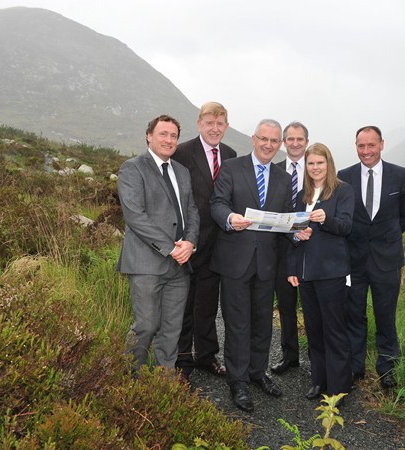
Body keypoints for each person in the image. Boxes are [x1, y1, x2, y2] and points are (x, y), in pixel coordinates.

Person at [210, 119, 292, 412]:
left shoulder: (284, 179)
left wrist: (298, 229)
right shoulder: (232, 167)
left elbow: (286, 217)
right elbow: (217, 203)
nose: (269, 145)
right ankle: (238, 381)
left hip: (267, 263)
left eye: (274, 141)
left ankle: (258, 373)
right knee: (237, 323)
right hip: (235, 260)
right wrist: (230, 219)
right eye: (264, 139)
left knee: (262, 323)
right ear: (254, 139)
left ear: (279, 144)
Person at [117, 114, 200, 373]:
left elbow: (192, 211)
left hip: (179, 267)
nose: (169, 140)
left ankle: (164, 384)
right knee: (147, 325)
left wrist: (190, 243)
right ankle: (128, 378)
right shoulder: (132, 168)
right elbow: (135, 216)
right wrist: (172, 248)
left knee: (172, 330)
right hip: (146, 264)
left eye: (173, 136)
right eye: (163, 134)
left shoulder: (182, 172)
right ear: (149, 136)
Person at [337, 125, 405, 390]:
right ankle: (354, 367)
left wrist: (388, 236)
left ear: (381, 144)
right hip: (354, 260)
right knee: (353, 314)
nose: (366, 151)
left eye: (371, 145)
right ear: (356, 146)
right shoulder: (343, 176)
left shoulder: (400, 175)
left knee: (385, 315)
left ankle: (387, 368)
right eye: (361, 146)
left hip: (387, 259)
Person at [173, 102, 237, 380]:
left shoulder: (231, 154)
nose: (215, 128)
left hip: (218, 243)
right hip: (188, 240)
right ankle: (182, 360)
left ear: (226, 126)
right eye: (210, 122)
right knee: (184, 303)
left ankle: (207, 355)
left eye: (220, 123)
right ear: (200, 124)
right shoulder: (183, 152)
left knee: (208, 304)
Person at [287, 143, 354, 403]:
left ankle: (338, 390)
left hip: (331, 273)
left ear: (329, 164)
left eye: (320, 163)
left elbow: (347, 227)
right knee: (314, 330)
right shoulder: (302, 194)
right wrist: (296, 238)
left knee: (334, 332)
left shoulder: (343, 191)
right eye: (311, 163)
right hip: (306, 273)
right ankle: (319, 381)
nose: (315, 168)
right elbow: (292, 232)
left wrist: (327, 220)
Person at [270, 121, 308, 374]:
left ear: (306, 142)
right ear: (284, 142)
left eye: (300, 139)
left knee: (314, 306)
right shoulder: (273, 171)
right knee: (285, 306)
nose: (295, 143)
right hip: (281, 247)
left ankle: (319, 358)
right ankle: (289, 356)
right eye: (290, 139)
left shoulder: (317, 169)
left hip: (310, 248)